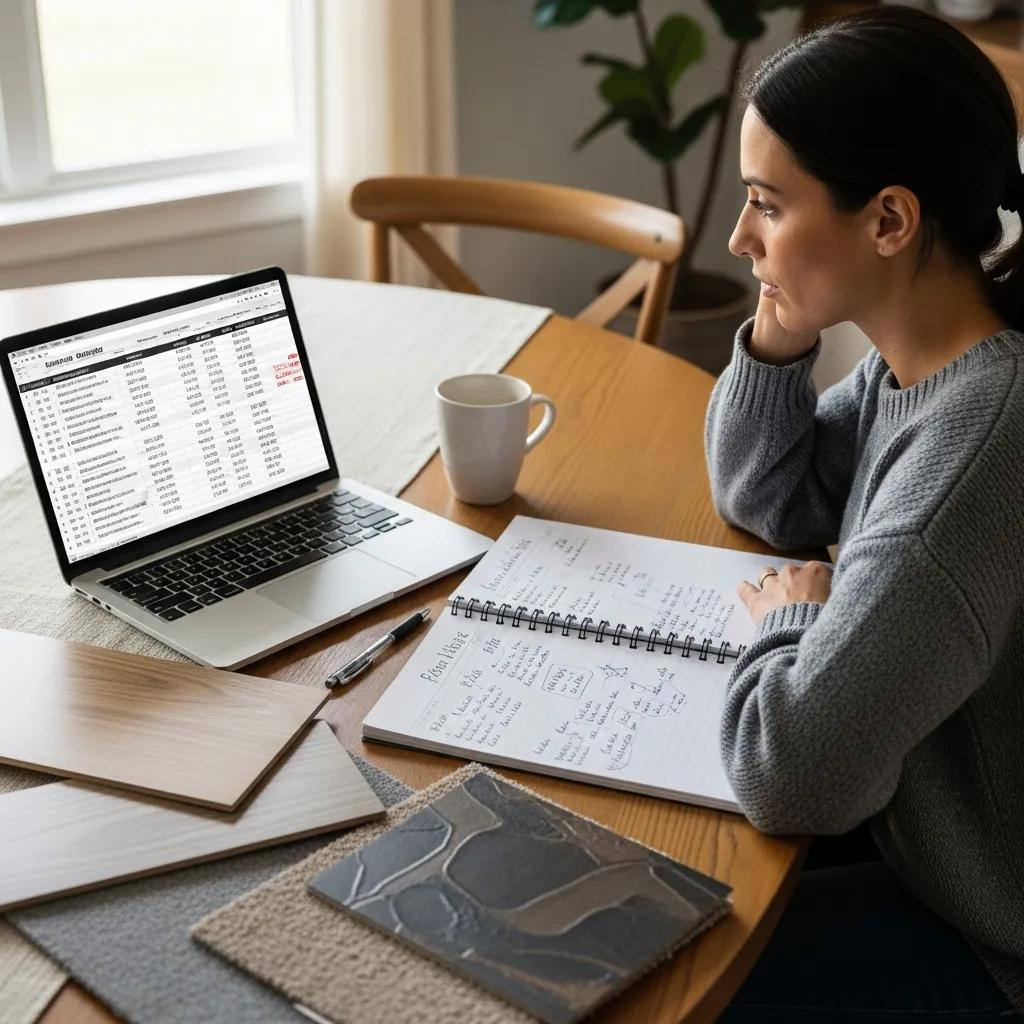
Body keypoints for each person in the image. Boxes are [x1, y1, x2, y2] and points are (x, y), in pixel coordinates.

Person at [704, 6, 1024, 1021]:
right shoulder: (924, 366)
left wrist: (790, 625)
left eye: (766, 204)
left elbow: (790, 775)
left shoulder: (970, 453)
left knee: (672, 978)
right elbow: (768, 496)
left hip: (988, 933)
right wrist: (779, 333)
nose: (738, 237)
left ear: (888, 221)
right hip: (921, 832)